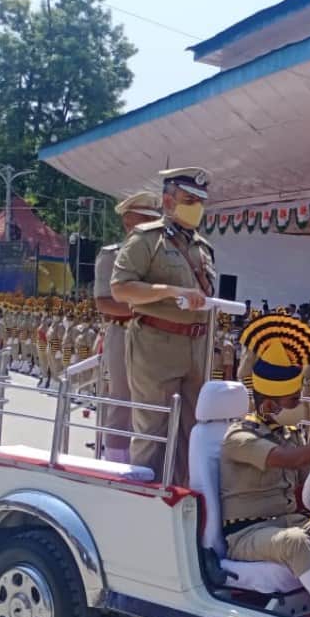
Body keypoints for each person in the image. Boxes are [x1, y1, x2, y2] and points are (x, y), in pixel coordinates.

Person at [221, 314, 310, 617]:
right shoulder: (240, 436)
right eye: (294, 398)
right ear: (270, 402)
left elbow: (306, 486)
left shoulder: (290, 433)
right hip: (247, 534)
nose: (300, 403)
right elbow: (288, 460)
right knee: (294, 542)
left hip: (292, 522)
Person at [110, 167, 215, 484]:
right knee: (153, 430)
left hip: (197, 346)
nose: (195, 206)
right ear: (168, 201)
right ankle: (146, 502)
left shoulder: (202, 247)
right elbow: (121, 288)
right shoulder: (147, 240)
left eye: (200, 200)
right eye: (188, 199)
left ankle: (182, 500)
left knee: (193, 431)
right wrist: (170, 292)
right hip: (157, 344)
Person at [94, 192, 160, 464]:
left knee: (155, 403)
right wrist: (147, 308)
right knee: (123, 400)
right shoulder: (113, 255)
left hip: (159, 337)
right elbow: (104, 303)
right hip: (125, 333)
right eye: (139, 223)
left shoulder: (164, 256)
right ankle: (116, 460)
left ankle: (149, 459)